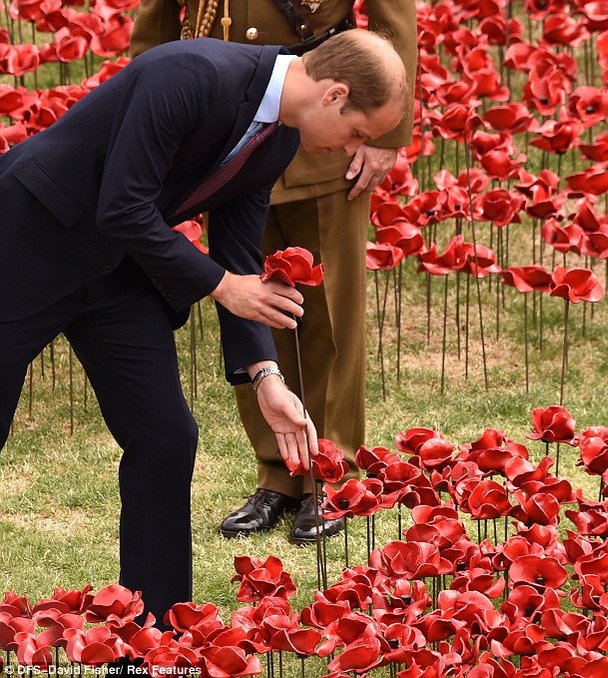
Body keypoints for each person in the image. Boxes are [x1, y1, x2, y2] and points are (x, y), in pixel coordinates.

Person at [0, 31, 407, 624]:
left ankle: (153, 639)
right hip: (23, 243)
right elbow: (124, 205)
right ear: (334, 95)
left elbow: (238, 251)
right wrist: (221, 285)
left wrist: (266, 377)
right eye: (358, 133)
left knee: (166, 436)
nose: (352, 149)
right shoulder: (188, 73)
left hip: (116, 270)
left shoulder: (279, 134)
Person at [130, 0, 417, 545]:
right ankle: (277, 473)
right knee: (251, 301)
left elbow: (393, 13)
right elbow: (158, 20)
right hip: (229, 121)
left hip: (326, 112)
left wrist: (385, 132)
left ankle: (329, 471)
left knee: (329, 314)